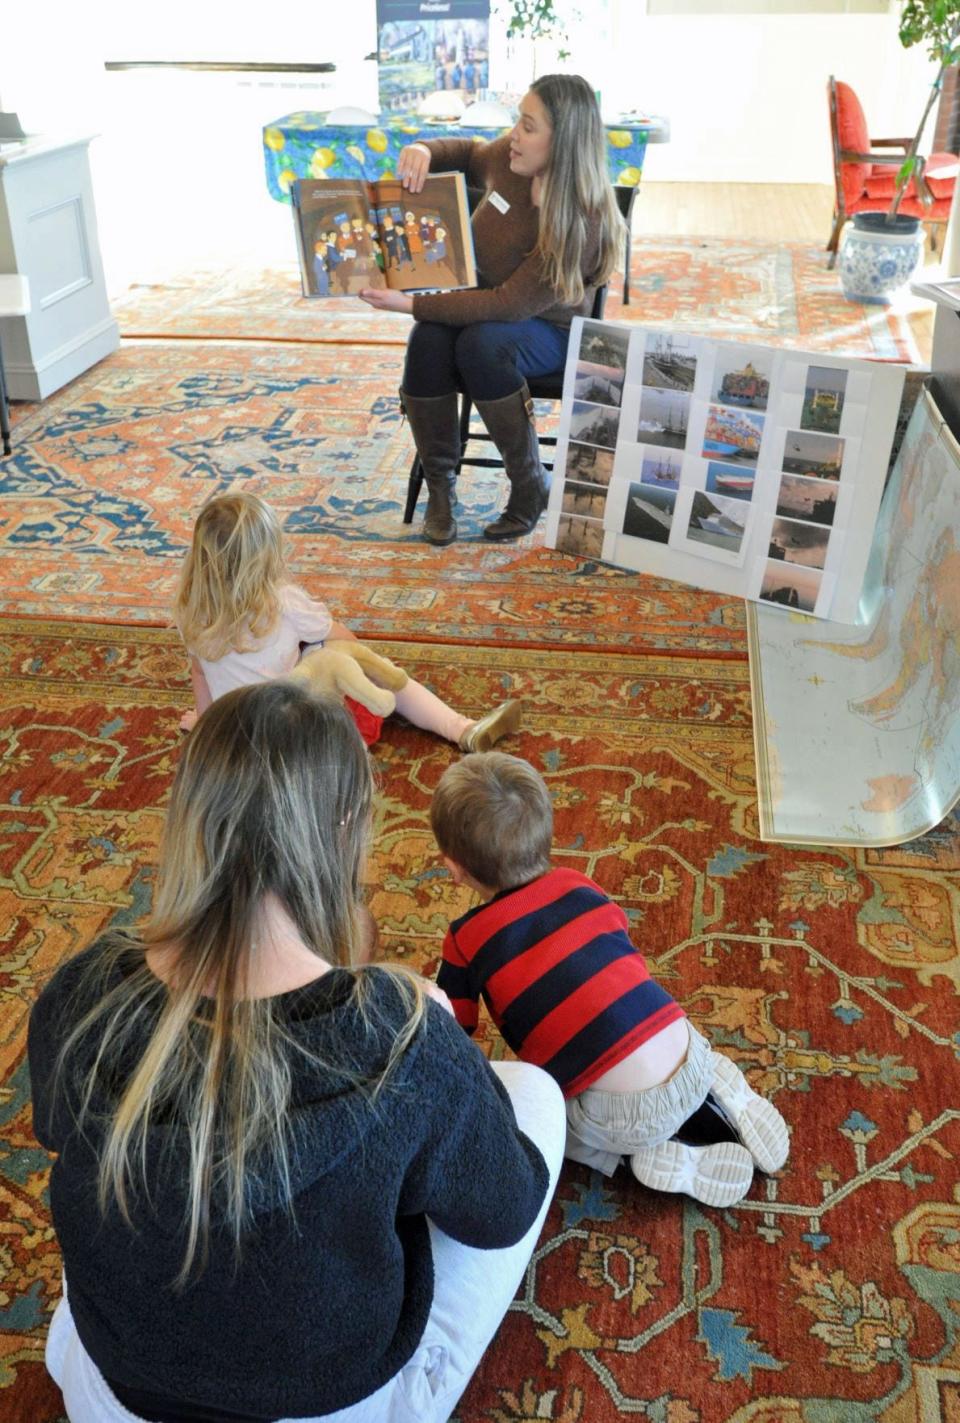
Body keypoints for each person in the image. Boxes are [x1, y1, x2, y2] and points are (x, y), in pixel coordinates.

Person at [29, 682, 567, 1423]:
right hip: (326, 1403)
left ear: (187, 813)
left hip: (113, 1389)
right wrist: (451, 1056)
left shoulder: (79, 990)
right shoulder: (406, 1040)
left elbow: (56, 1131)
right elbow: (501, 1211)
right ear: (346, 827)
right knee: (535, 1093)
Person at [430, 753, 791, 1207]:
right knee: (639, 1007)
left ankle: (642, 1156)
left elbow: (452, 1032)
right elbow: (621, 952)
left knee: (541, 1118)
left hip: (621, 1116)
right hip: (687, 1047)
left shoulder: (465, 939)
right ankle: (726, 1096)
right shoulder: (582, 885)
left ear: (453, 867)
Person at [359, 74, 624, 548]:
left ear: (561, 141)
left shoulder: (581, 216)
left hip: (552, 331)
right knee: (428, 339)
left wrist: (410, 302)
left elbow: (510, 304)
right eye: (517, 122)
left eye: (527, 125)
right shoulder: (510, 159)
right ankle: (440, 490)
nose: (514, 135)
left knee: (481, 343)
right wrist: (423, 148)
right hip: (484, 308)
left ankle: (529, 486)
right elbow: (466, 152)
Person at [174, 490, 521, 752]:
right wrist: (356, 655)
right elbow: (345, 639)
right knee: (355, 659)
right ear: (268, 556)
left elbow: (200, 673)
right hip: (297, 733)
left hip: (240, 738)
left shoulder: (191, 609)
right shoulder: (283, 601)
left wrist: (207, 725)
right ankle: (462, 729)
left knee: (308, 659)